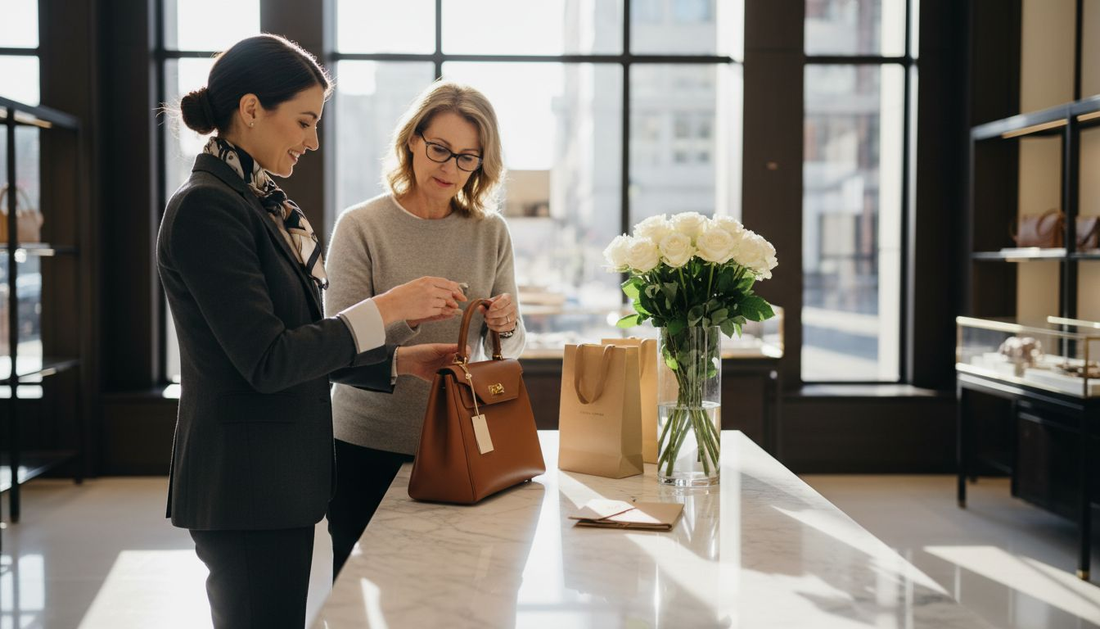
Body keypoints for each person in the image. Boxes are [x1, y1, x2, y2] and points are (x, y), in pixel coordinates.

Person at [157, 35, 465, 629]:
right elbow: (268, 359)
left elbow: (296, 343)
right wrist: (387, 308)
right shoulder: (207, 208)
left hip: (272, 484)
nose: (312, 141)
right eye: (304, 121)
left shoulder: (255, 201)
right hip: (246, 486)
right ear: (251, 110)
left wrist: (399, 362)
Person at [325, 80, 525, 576]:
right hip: (366, 443)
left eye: (466, 158)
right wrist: (406, 314)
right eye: (439, 148)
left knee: (453, 585)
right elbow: (335, 347)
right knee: (359, 588)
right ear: (412, 140)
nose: (449, 168)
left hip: (462, 441)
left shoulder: (490, 231)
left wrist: (505, 324)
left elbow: (512, 344)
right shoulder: (361, 226)